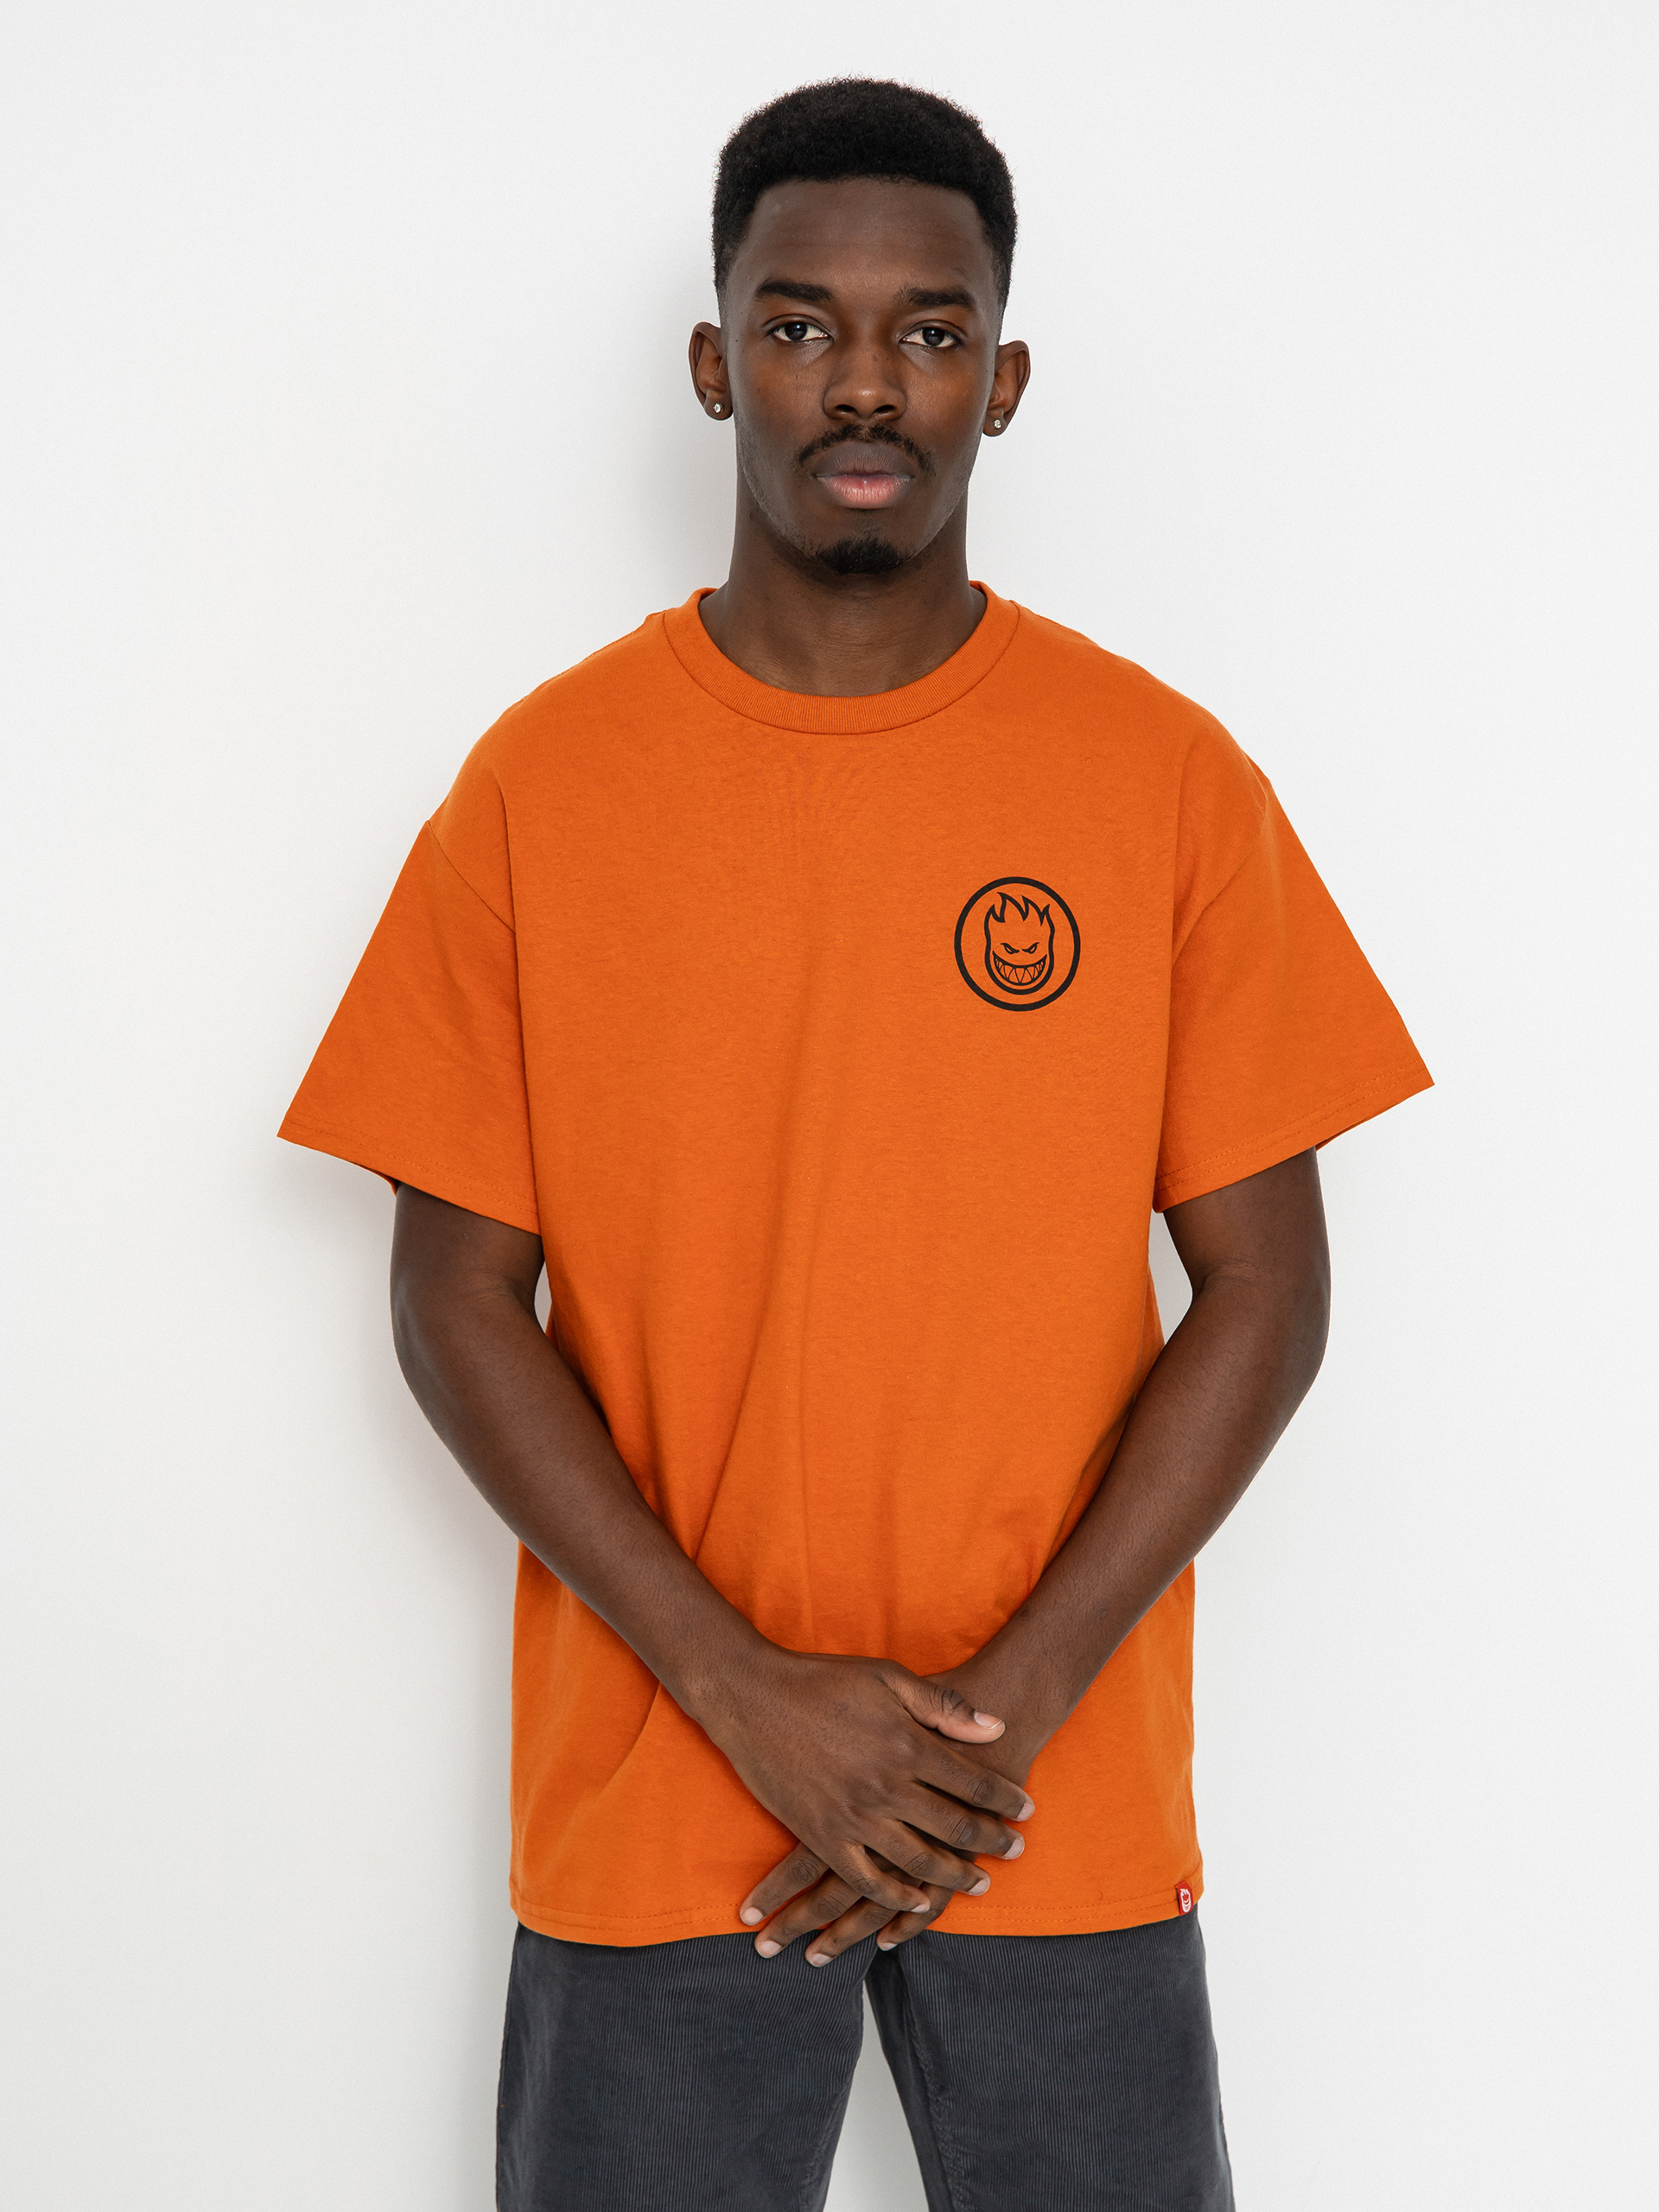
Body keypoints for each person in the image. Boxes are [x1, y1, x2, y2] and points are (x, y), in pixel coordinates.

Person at [280, 77, 1431, 2212]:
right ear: (715, 363)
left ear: (1007, 376)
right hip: (662, 1785)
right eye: (801, 325)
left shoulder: (1161, 777)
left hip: (1049, 1800)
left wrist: (1003, 1713)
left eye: (930, 328)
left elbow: (1270, 1286)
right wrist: (744, 1688)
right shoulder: (544, 786)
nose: (867, 381)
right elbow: (451, 1297)